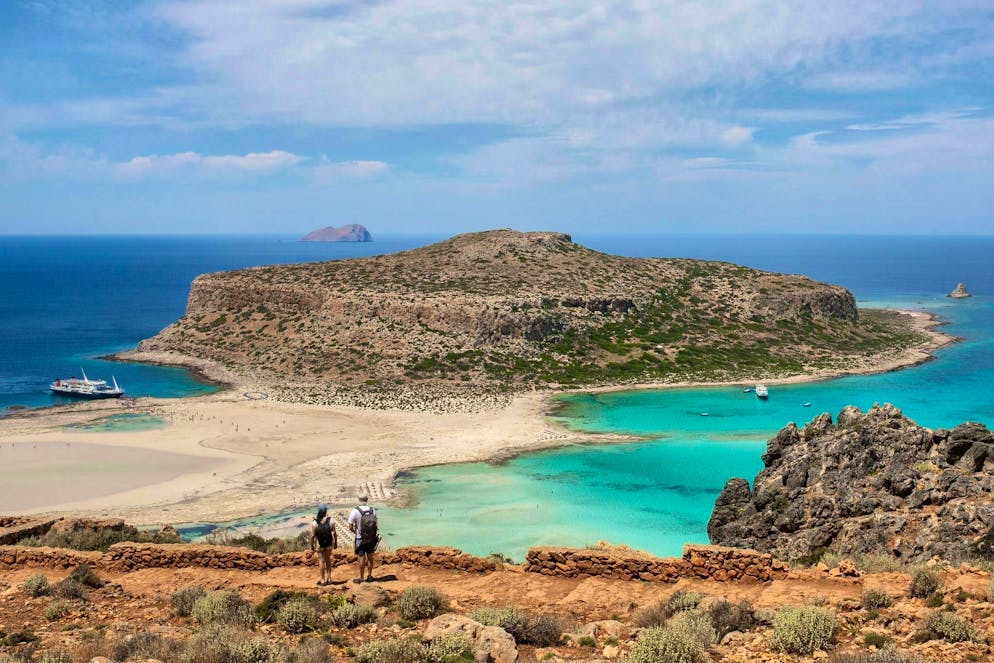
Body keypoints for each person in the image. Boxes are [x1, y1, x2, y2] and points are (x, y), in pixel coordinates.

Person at [347, 495, 379, 583]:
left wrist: (356, 533)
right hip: (371, 538)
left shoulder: (355, 511)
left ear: (359, 499)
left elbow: (350, 526)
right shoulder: (373, 510)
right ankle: (369, 576)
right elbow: (375, 524)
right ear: (367, 499)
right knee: (370, 557)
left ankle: (361, 578)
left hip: (360, 538)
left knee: (361, 558)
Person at [309, 503, 337, 586]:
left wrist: (312, 545)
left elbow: (313, 536)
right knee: (328, 560)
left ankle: (322, 580)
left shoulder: (315, 523)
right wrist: (335, 543)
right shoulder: (330, 520)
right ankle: (329, 578)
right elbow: (335, 533)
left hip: (319, 544)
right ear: (326, 511)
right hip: (329, 543)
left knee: (321, 561)